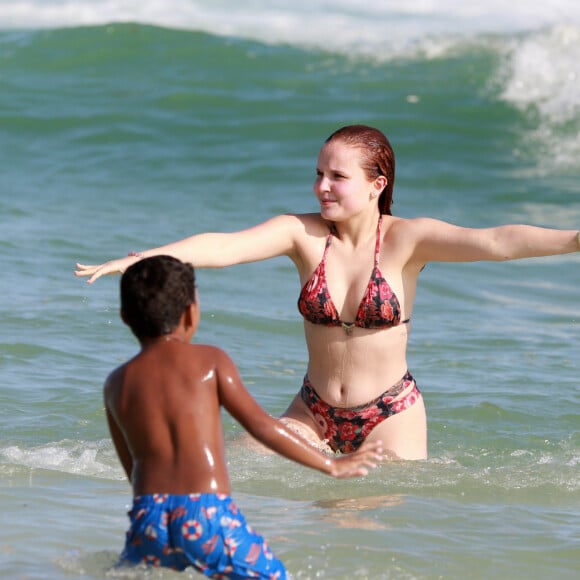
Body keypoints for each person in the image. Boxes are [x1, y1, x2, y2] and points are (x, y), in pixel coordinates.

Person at [77, 124, 580, 461]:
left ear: (376, 184)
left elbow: (497, 241)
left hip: (389, 415)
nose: (322, 186)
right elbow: (226, 246)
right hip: (311, 412)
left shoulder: (407, 239)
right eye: (319, 173)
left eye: (338, 177)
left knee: (358, 531)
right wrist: (142, 258)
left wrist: (574, 240)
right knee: (239, 477)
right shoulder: (303, 234)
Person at [104, 255, 383, 577]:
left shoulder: (115, 382)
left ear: (125, 316)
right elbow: (262, 426)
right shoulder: (210, 361)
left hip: (148, 516)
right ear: (191, 312)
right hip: (205, 513)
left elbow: (132, 466)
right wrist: (331, 464)